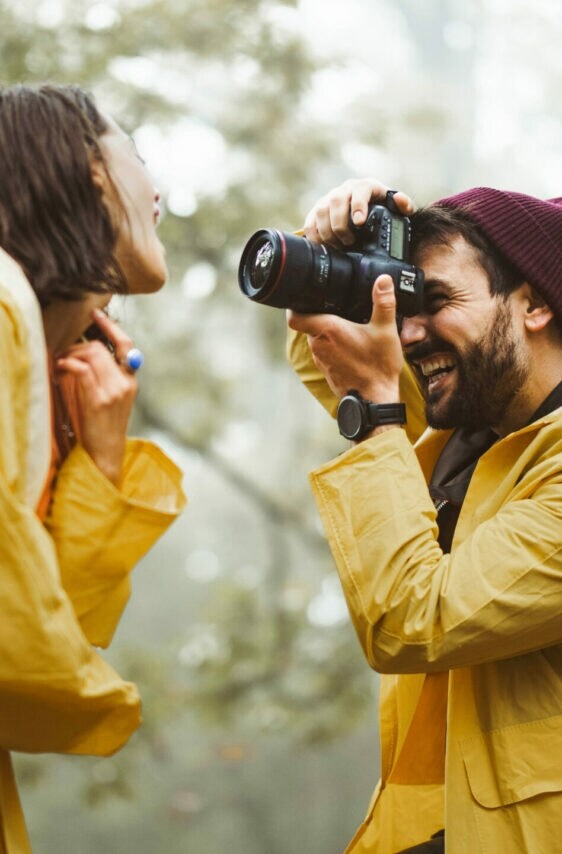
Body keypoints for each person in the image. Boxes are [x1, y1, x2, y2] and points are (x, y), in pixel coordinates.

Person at [287, 178, 562, 853]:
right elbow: (330, 355)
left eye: (435, 300)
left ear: (534, 304)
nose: (410, 334)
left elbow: (416, 621)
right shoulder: (469, 429)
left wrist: (379, 413)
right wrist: (337, 252)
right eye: (405, 304)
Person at [0, 84, 186, 852]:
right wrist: (101, 707)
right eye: (141, 159)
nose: (161, 193)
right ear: (91, 172)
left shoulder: (39, 358)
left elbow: (57, 622)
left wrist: (101, 461)